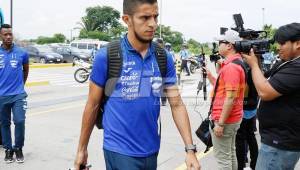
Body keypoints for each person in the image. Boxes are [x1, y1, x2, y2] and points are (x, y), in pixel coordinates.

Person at [73, 1, 200, 170]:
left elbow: (176, 104)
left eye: (155, 17)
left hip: (152, 150)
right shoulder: (108, 56)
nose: (153, 24)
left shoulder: (163, 57)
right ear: (127, 19)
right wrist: (82, 149)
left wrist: (190, 149)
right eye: (145, 17)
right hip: (119, 150)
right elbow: (93, 104)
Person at [242, 23, 300, 170]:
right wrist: (257, 60)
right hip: (279, 139)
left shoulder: (297, 66)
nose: (278, 47)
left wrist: (254, 65)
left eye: (282, 43)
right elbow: (263, 78)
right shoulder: (287, 62)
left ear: (298, 43)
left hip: (280, 143)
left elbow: (265, 92)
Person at [206, 30, 245, 170]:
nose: (218, 45)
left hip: (226, 119)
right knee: (230, 153)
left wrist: (220, 123)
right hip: (232, 118)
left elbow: (230, 97)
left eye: (220, 42)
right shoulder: (234, 63)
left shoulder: (231, 67)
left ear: (229, 45)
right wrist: (211, 76)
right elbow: (222, 89)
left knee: (223, 159)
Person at [0, 24, 29, 163]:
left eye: (10, 34)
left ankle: (18, 148)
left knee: (20, 121)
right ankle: (8, 149)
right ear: (1, 36)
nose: (8, 36)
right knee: (4, 123)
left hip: (18, 94)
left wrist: (21, 85)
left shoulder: (22, 52)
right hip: (1, 96)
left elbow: (26, 69)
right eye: (5, 34)